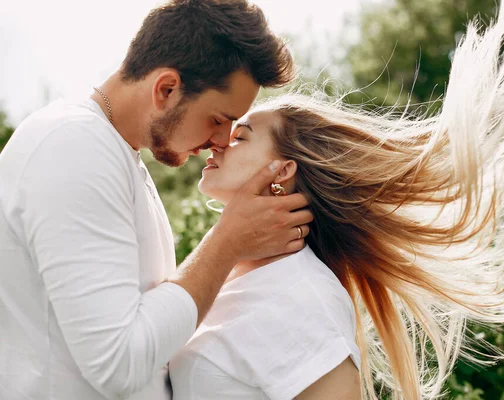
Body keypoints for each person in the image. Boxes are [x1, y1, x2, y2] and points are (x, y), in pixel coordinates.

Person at [169, 2, 504, 399]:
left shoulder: (301, 296)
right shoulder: (228, 273)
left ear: (283, 171)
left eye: (240, 136)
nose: (217, 142)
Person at [0, 1, 313, 400]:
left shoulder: (113, 154)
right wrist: (228, 241)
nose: (222, 139)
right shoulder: (73, 147)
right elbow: (118, 365)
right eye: (219, 119)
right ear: (166, 89)